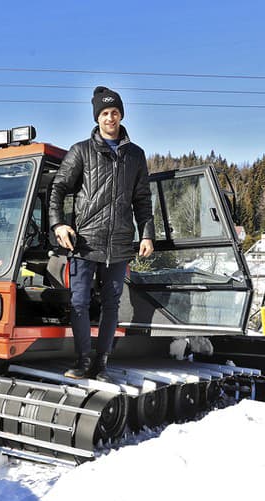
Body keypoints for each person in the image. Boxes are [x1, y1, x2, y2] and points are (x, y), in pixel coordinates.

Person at [48, 86, 155, 383]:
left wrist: (147, 234)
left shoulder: (136, 155)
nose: (111, 117)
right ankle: (83, 360)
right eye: (105, 113)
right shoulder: (81, 150)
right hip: (85, 241)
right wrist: (59, 225)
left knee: (111, 305)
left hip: (119, 243)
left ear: (121, 115)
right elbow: (57, 188)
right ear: (98, 117)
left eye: (115, 112)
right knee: (80, 303)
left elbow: (142, 199)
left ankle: (102, 363)